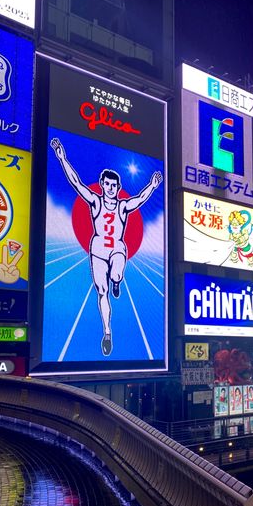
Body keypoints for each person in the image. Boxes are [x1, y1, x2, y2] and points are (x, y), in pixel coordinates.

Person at [51, 138, 163, 356]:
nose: (111, 188)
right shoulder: (95, 201)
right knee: (101, 292)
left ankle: (117, 280)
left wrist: (152, 185)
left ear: (118, 188)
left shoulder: (122, 206)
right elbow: (76, 183)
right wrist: (61, 157)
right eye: (107, 185)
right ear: (102, 185)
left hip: (117, 248)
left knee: (118, 272)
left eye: (114, 185)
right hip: (98, 249)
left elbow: (140, 199)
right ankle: (108, 332)